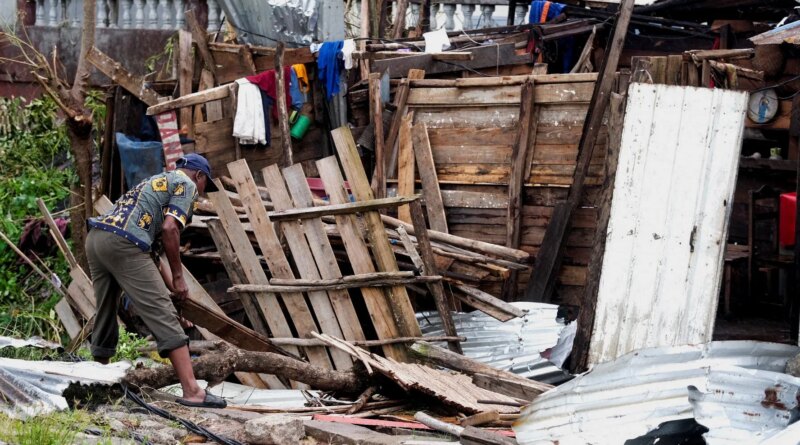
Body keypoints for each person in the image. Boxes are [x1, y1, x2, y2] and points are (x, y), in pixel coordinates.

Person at [85, 153, 225, 408]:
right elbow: (170, 229)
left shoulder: (155, 182)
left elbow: (154, 258)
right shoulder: (187, 185)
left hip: (97, 239)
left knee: (105, 312)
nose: (202, 193)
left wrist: (177, 290)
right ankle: (193, 391)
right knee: (162, 313)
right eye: (206, 185)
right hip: (124, 244)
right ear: (199, 176)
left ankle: (98, 383)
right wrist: (179, 277)